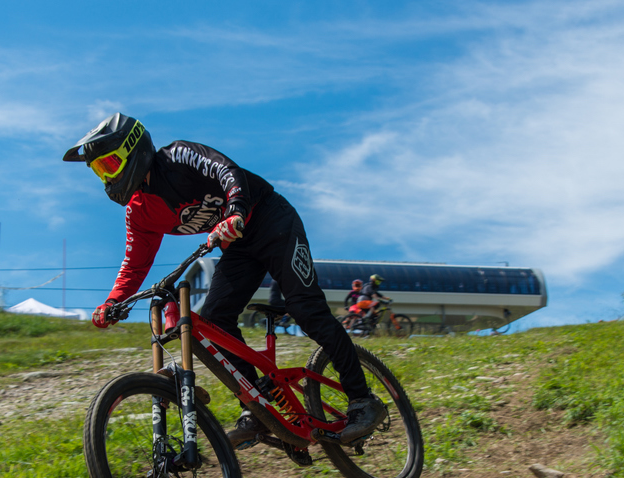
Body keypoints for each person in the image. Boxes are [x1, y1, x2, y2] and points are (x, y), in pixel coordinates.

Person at [63, 113, 386, 447]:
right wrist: (114, 301)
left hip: (271, 220)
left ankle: (363, 400)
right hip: (237, 244)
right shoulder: (139, 210)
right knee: (215, 321)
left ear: (135, 149)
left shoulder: (176, 157)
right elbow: (134, 262)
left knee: (306, 311)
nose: (107, 177)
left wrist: (235, 210)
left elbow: (226, 170)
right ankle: (259, 408)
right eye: (100, 171)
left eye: (110, 164)